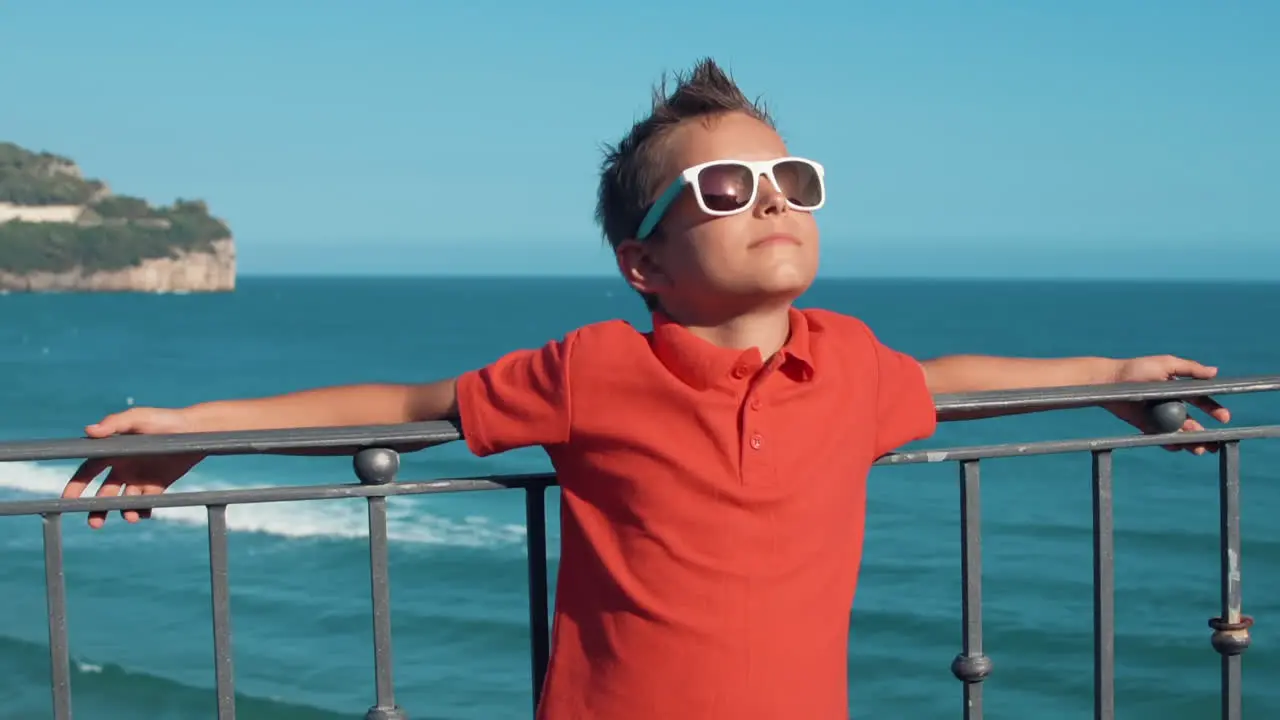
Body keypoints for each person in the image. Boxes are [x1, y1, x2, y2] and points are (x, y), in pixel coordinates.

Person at [62, 58, 1230, 720]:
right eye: (724, 186)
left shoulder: (851, 364)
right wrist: (210, 426)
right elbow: (409, 408)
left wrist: (1107, 377)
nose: (769, 198)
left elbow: (951, 381)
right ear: (644, 263)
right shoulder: (594, 370)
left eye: (789, 177)